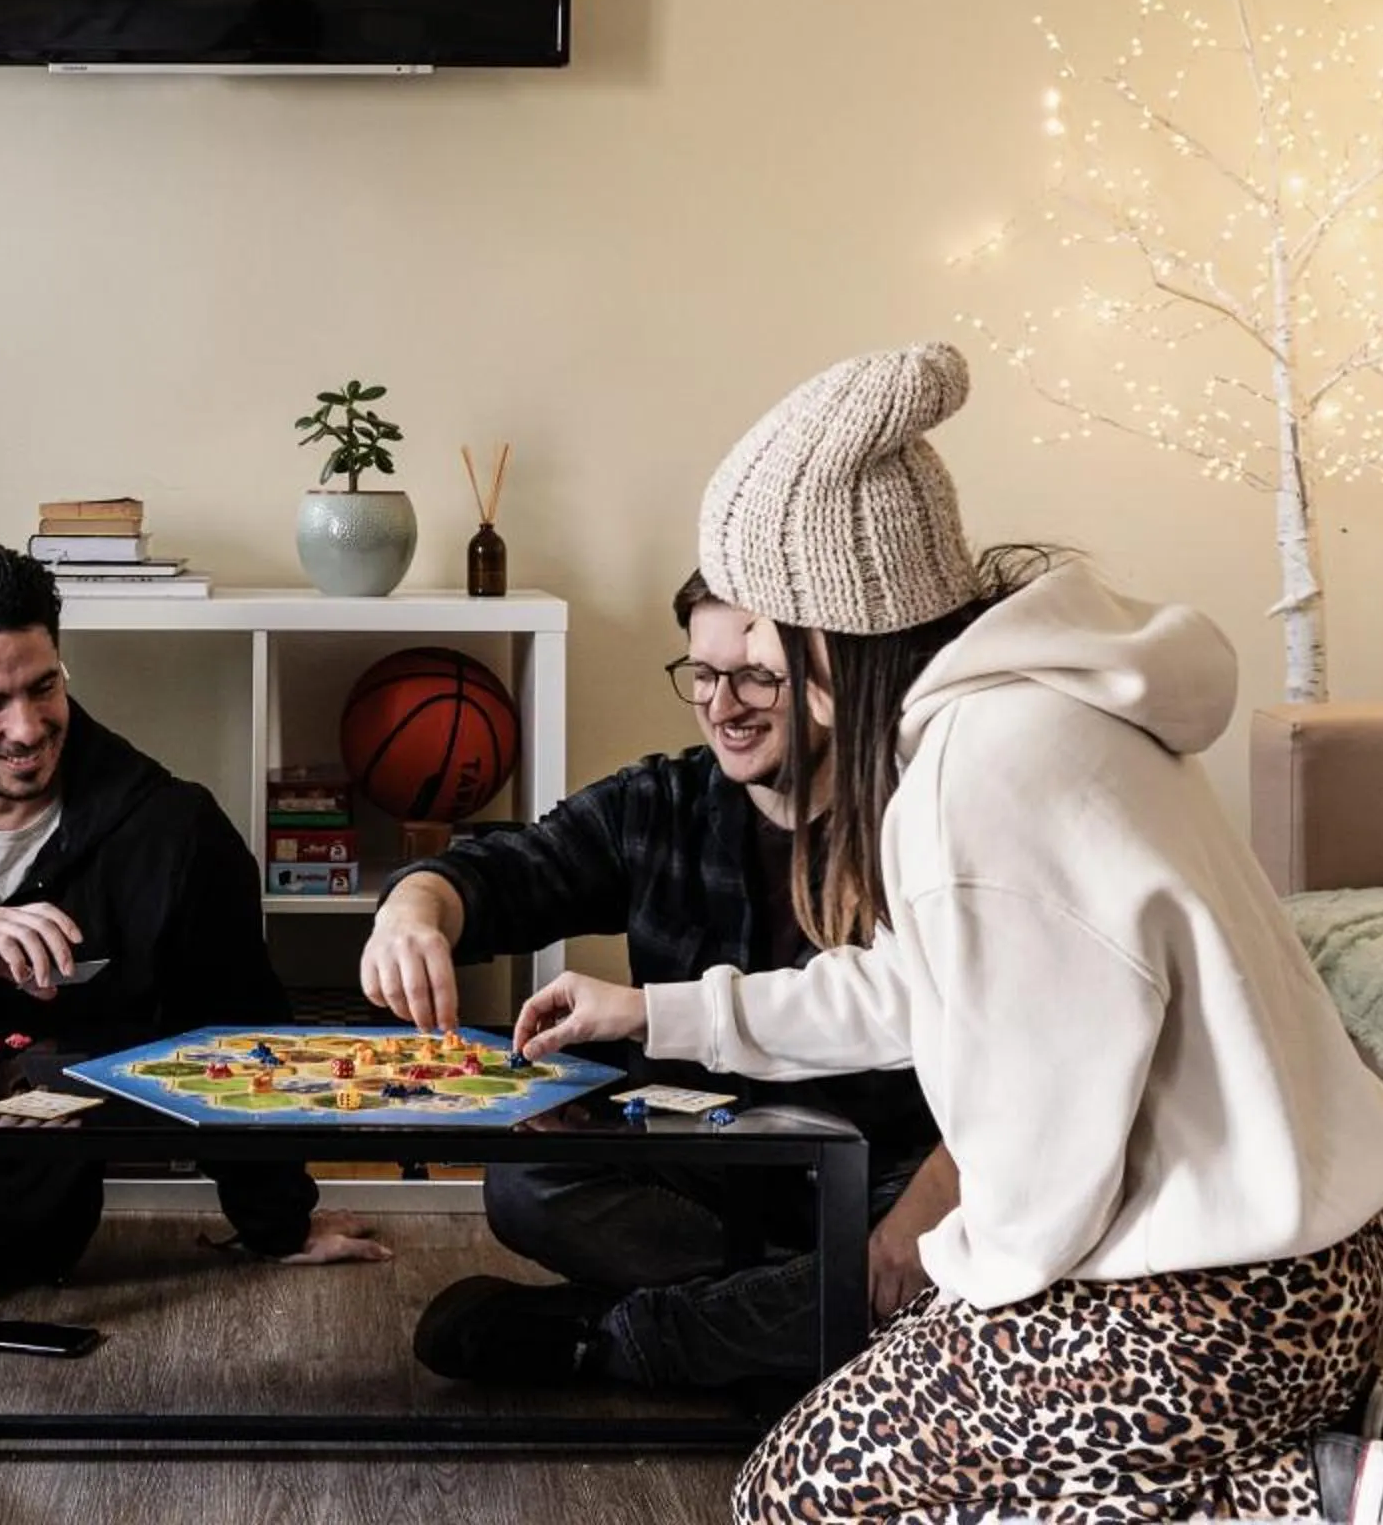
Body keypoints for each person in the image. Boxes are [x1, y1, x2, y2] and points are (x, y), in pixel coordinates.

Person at [514, 343, 1383, 1524]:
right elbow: (915, 983)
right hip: (1308, 1260)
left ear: (825, 624)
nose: (742, 661)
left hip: (1209, 1306)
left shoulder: (980, 772)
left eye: (761, 626)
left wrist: (951, 1296)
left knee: (800, 1495)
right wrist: (665, 1012)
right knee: (873, 1432)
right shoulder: (1045, 704)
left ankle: (1282, 1504)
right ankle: (1302, 1485)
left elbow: (1042, 1153)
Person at [357, 568, 955, 1392]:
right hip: (706, 1164)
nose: (723, 705)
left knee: (964, 1247)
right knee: (527, 1181)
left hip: (885, 1176)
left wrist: (922, 1218)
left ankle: (609, 1341)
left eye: (756, 677)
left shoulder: (923, 821)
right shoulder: (658, 802)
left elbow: (1013, 1063)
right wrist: (412, 912)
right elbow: (506, 871)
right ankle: (810, 1313)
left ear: (828, 675)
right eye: (702, 675)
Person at [0, 534, 388, 1288]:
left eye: (44, 688)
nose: (27, 729)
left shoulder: (173, 830)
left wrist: (279, 1222)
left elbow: (238, 1027)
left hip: (20, 1204)